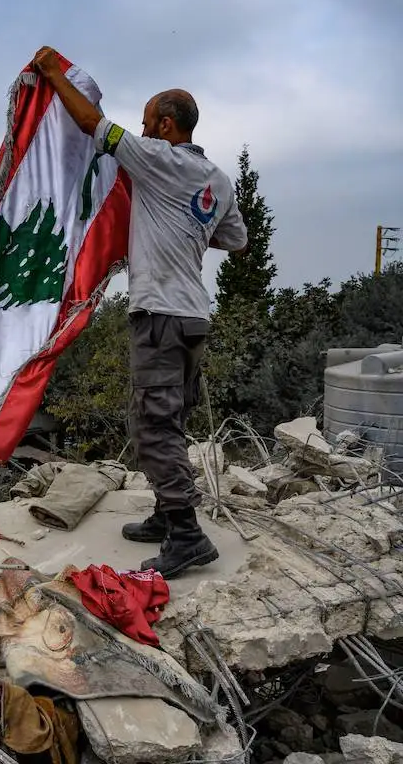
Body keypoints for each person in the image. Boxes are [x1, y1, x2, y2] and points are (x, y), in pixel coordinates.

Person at [30, 46, 248, 579]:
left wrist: (55, 73)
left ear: (168, 126)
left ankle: (188, 535)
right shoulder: (216, 179)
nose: (144, 131)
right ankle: (164, 515)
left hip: (161, 316)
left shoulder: (161, 160)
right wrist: (188, 226)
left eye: (150, 123)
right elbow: (235, 238)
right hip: (193, 316)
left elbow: (91, 123)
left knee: (153, 427)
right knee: (166, 418)